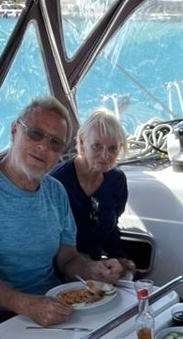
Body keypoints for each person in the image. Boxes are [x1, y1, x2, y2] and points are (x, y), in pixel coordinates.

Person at [0, 96, 125, 332]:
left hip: (55, 306)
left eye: (55, 143)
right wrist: (28, 305)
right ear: (14, 130)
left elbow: (68, 259)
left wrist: (92, 269)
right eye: (35, 134)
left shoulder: (56, 191)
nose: (43, 146)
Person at [49, 109, 137, 275]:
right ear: (82, 142)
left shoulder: (116, 181)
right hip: (59, 275)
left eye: (112, 148)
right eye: (97, 146)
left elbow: (111, 227)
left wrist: (118, 259)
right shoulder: (55, 183)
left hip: (97, 273)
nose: (105, 155)